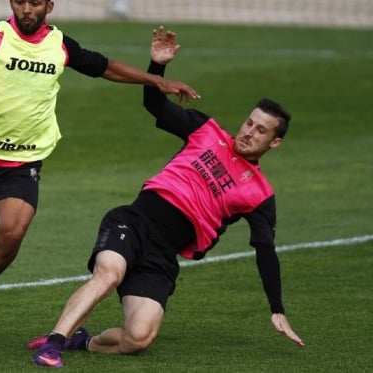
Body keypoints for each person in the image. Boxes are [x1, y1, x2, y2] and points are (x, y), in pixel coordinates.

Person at [0, 0, 200, 336]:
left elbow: (103, 66)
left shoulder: (59, 45)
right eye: (20, 2)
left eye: (35, 3)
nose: (27, 10)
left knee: (13, 232)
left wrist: (156, 80)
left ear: (49, 5)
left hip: (22, 161)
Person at [28, 25, 305, 368]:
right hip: (133, 222)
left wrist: (276, 308)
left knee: (138, 338)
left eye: (261, 130)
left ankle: (81, 341)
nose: (249, 132)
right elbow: (154, 103)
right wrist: (157, 67)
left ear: (274, 143)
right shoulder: (207, 131)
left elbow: (265, 249)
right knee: (109, 273)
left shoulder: (260, 194)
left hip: (162, 255)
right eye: (249, 123)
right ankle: (53, 344)